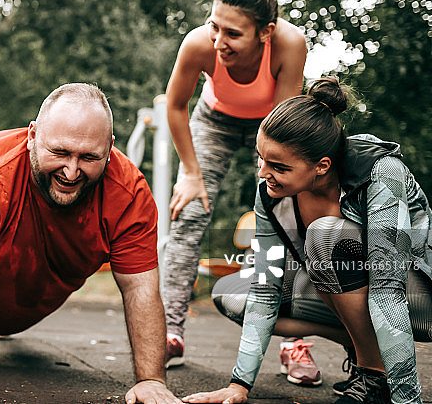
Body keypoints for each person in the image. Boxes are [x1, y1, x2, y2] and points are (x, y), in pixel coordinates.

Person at [0, 83, 182, 404]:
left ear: (109, 147)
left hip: (28, 303)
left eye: (89, 157)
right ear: (32, 135)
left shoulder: (129, 195)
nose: (71, 171)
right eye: (60, 153)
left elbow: (141, 290)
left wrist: (151, 381)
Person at [183, 77, 432, 404]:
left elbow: (388, 289)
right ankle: (364, 347)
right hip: (361, 296)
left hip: (416, 296)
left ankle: (376, 378)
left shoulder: (380, 172)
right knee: (233, 293)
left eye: (278, 166)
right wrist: (238, 386)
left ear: (321, 166)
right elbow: (266, 289)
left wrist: (407, 399)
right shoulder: (271, 194)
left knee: (325, 235)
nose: (262, 173)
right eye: (261, 158)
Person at [161, 0, 308, 374]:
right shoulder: (198, 44)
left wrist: (279, 189)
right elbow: (175, 106)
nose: (218, 41)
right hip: (214, 122)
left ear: (266, 32)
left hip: (272, 125)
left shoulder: (289, 44)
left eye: (232, 33)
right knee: (190, 212)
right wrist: (191, 174)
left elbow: (281, 128)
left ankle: (295, 340)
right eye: (214, 26)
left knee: (288, 215)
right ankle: (168, 332)